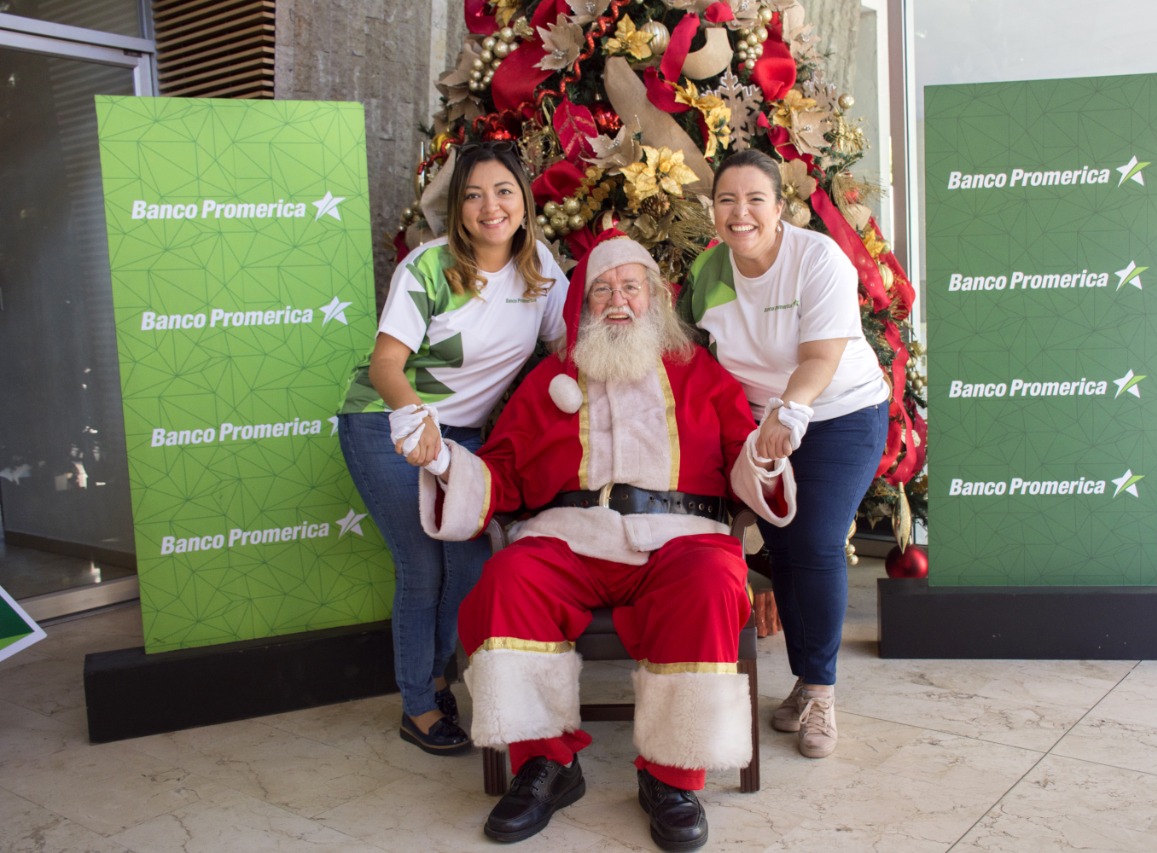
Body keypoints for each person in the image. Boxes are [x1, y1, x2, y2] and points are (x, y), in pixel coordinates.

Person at [418, 235, 795, 850]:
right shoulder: (551, 379)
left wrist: (769, 459)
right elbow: (505, 470)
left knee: (711, 584)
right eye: (602, 289)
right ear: (584, 306)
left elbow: (742, 461)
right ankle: (547, 765)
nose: (617, 301)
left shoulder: (702, 374)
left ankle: (673, 778)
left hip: (682, 537)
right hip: (570, 536)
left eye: (630, 287)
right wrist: (444, 466)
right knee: (506, 582)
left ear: (655, 298)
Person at [336, 141, 568, 756]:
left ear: (524, 200)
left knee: (467, 566)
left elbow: (574, 347)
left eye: (503, 192)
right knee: (422, 564)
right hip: (387, 422)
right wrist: (413, 417)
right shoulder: (428, 266)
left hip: (464, 441)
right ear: (459, 207)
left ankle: (440, 678)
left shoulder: (541, 271)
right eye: (473, 195)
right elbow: (387, 364)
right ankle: (419, 702)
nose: (489, 207)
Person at [679, 149, 890, 760]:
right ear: (712, 209)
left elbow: (820, 357)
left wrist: (789, 411)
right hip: (759, 427)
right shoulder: (708, 273)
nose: (739, 213)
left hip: (839, 412)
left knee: (818, 540)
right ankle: (804, 679)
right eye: (726, 200)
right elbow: (695, 359)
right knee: (786, 546)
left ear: (780, 208)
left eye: (754, 200)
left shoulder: (816, 257)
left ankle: (822, 691)